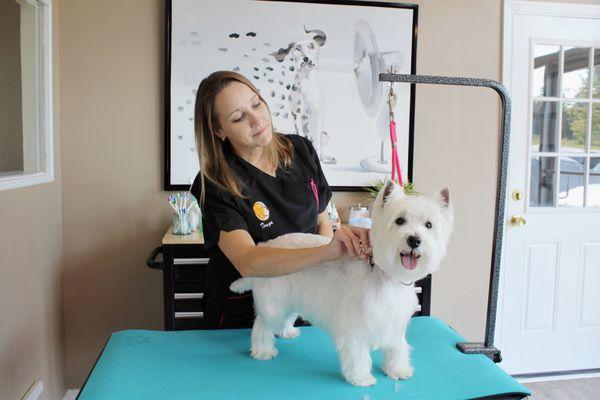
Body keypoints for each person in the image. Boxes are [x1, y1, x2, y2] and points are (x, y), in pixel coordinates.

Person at [190, 71, 371, 329]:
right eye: (239, 117)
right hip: (243, 312)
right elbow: (248, 260)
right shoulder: (216, 183)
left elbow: (323, 223)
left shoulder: (300, 150)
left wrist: (334, 256)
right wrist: (325, 252)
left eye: (256, 103)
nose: (257, 119)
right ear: (219, 130)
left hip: (305, 299)